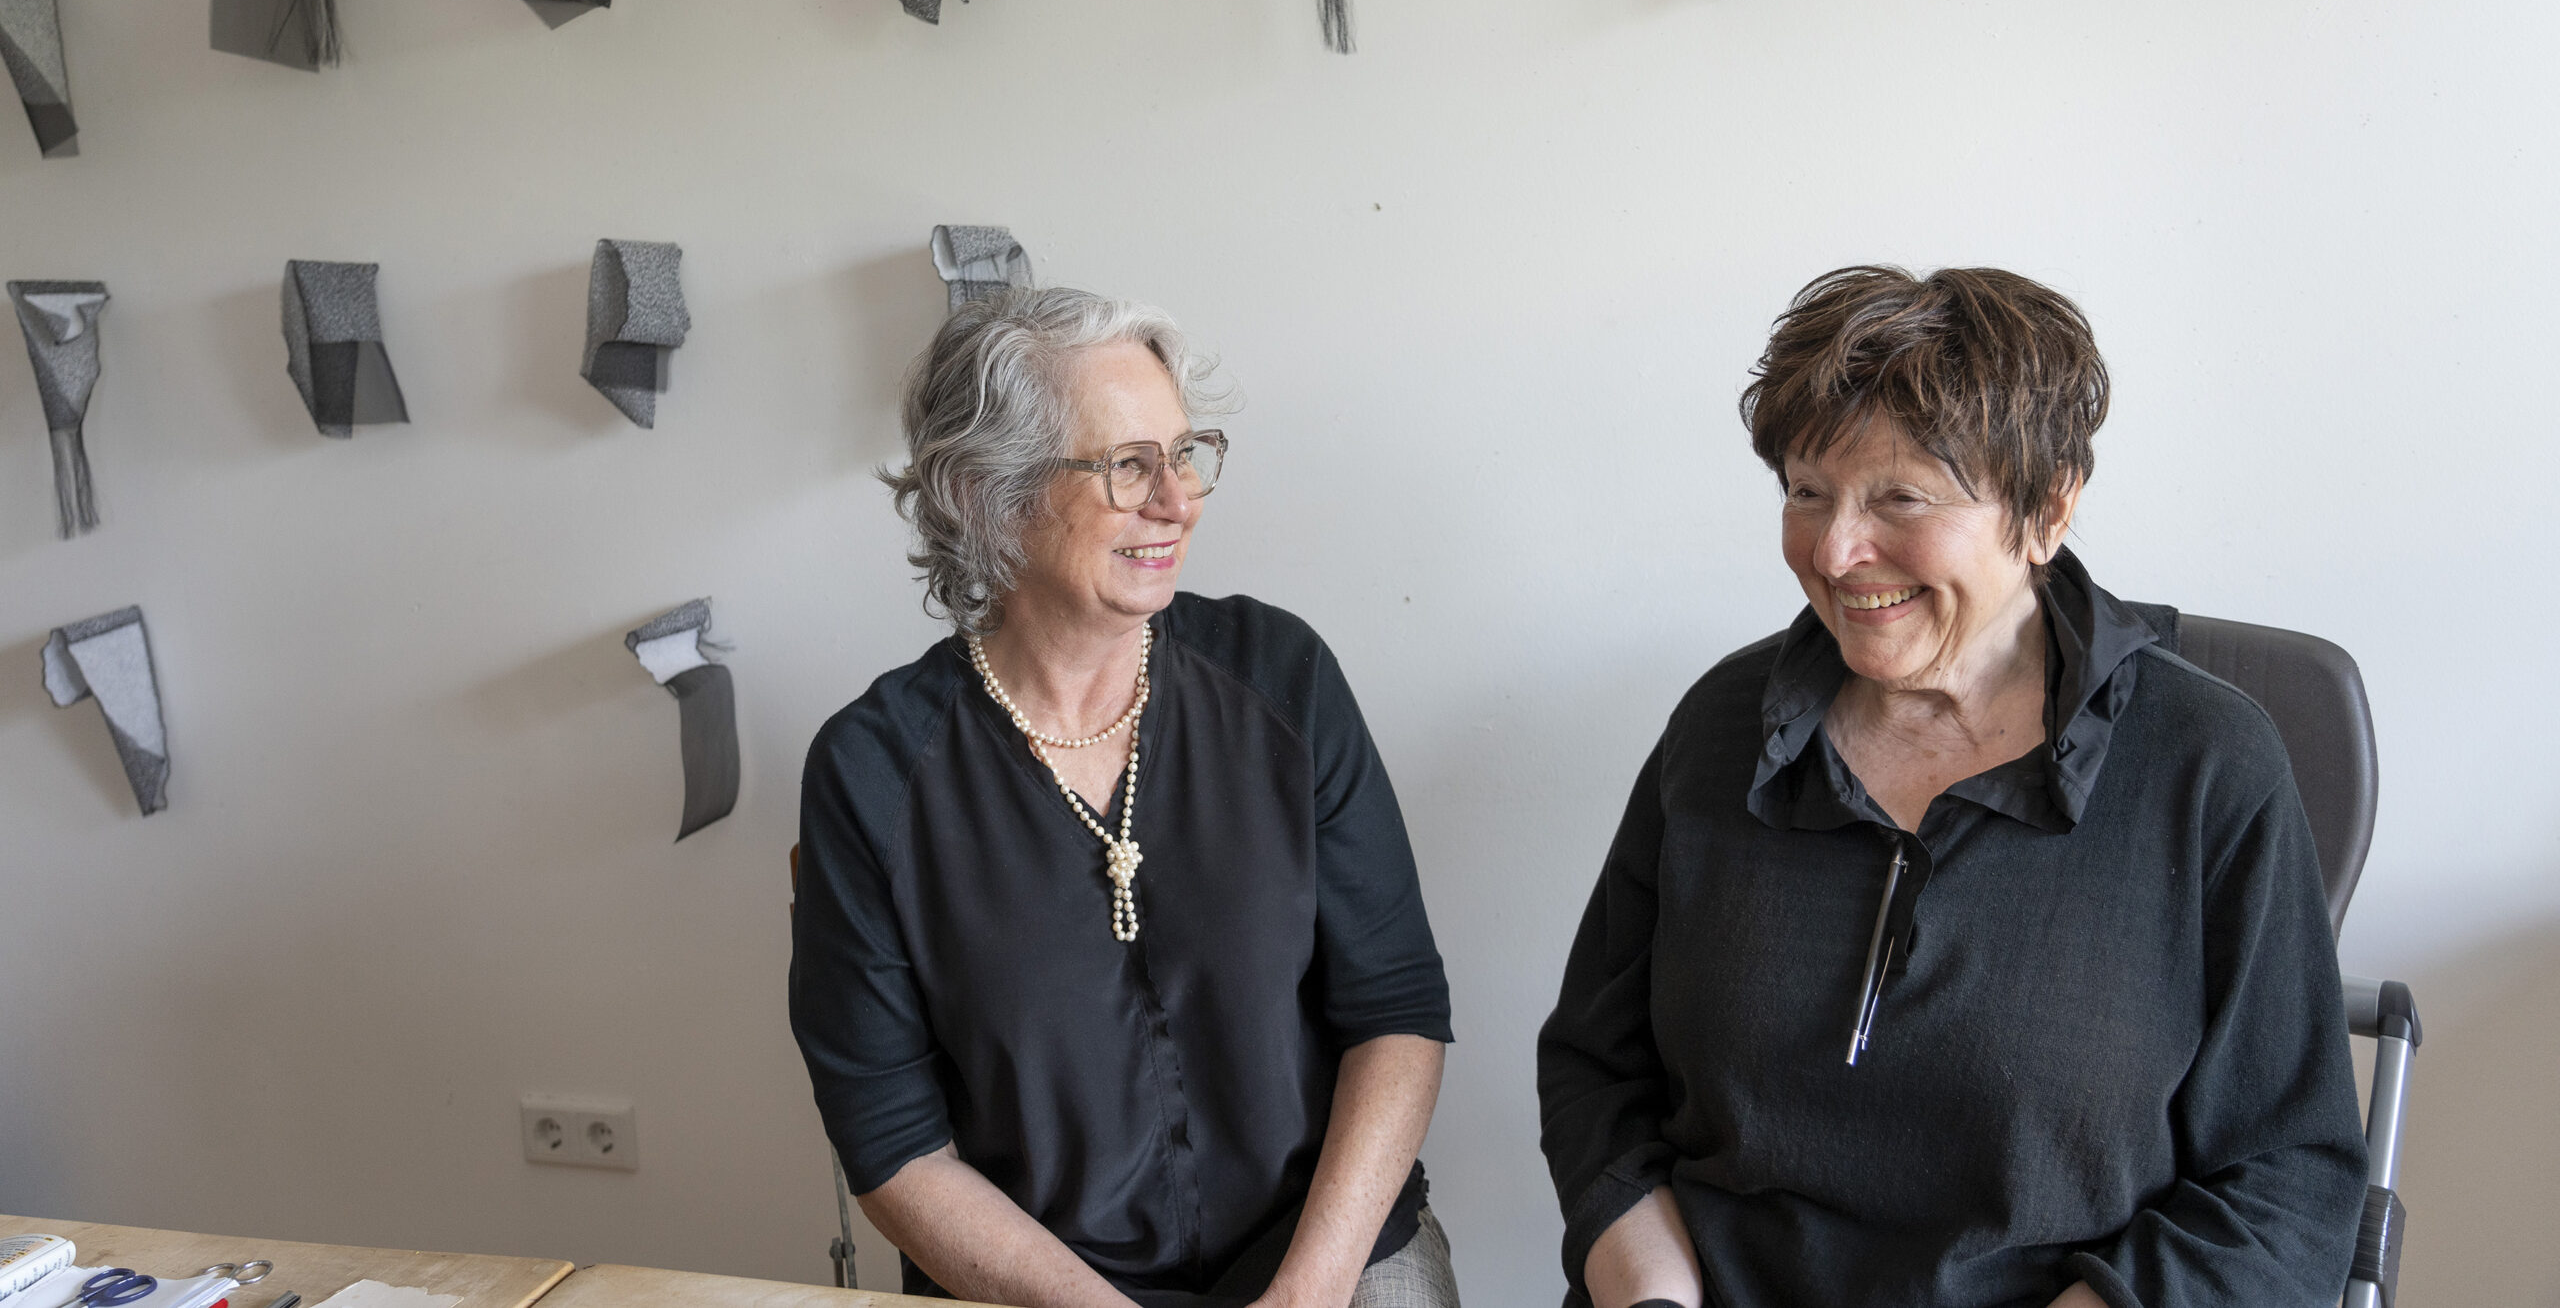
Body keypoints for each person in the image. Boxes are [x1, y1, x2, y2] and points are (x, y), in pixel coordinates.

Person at [1536, 265, 2366, 1308]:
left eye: (1900, 497)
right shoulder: (1721, 727)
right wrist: (1656, 1295)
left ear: (2047, 508)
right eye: (1806, 491)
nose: (1835, 550)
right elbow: (1597, 1073)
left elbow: (2286, 1183)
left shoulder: (2207, 766)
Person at [791, 286, 1458, 1308]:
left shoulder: (1281, 678)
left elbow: (1396, 1010)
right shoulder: (872, 770)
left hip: (1329, 1253)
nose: (1178, 501)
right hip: (1035, 1287)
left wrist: (1309, 1290)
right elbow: (890, 1142)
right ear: (988, 495)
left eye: (1186, 454)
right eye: (1128, 466)